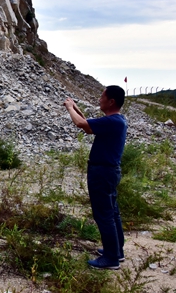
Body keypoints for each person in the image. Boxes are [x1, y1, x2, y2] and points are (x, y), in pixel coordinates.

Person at [63, 85, 127, 270]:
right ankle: (116, 251)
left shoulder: (113, 122)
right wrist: (74, 108)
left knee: (104, 215)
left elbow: (81, 124)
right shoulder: (116, 120)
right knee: (112, 212)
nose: (99, 100)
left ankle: (111, 259)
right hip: (109, 171)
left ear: (111, 101)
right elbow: (88, 126)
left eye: (102, 97)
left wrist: (69, 108)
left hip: (102, 172)